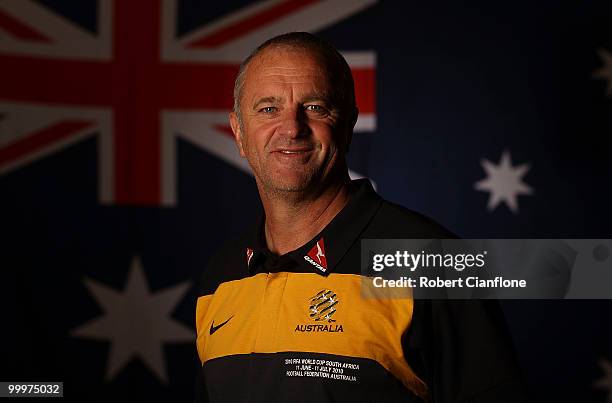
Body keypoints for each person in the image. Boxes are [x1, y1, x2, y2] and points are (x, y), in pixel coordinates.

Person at [194, 32, 525, 402]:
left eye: (315, 107)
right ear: (239, 132)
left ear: (349, 123)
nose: (291, 128)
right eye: (268, 109)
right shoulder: (220, 277)